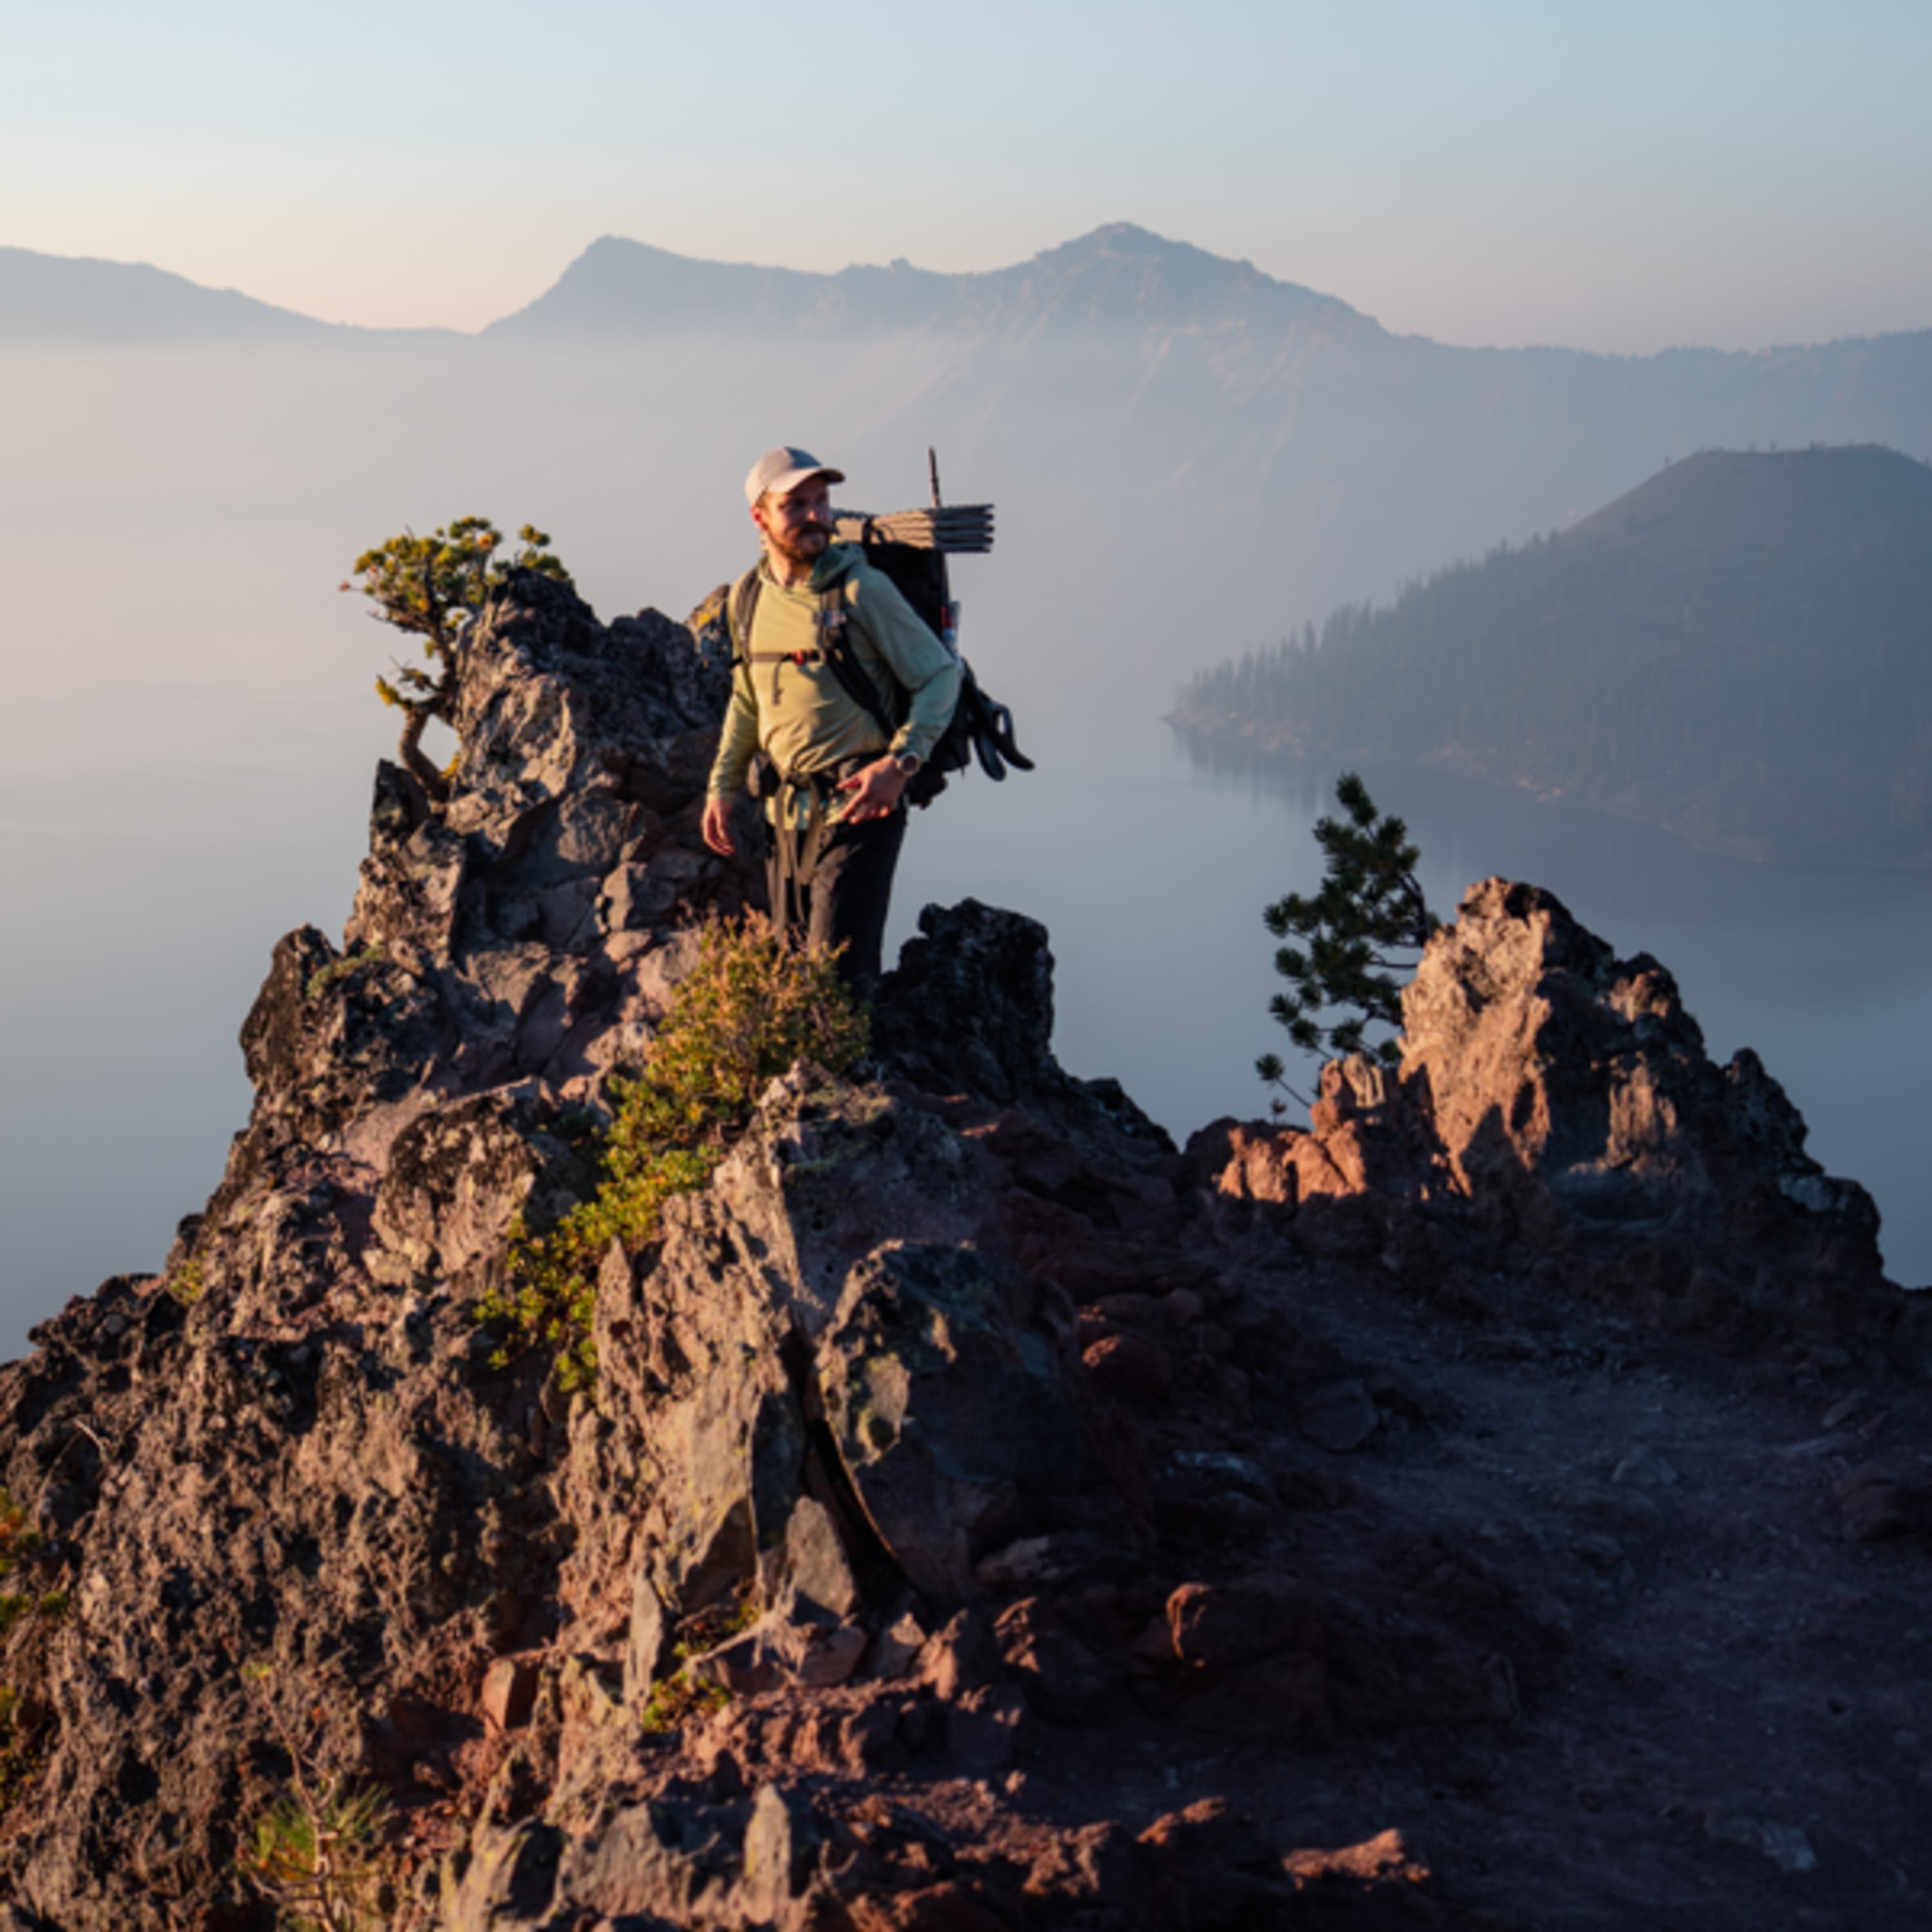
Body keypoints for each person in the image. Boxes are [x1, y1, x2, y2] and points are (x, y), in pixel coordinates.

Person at [702, 446, 961, 992]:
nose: (815, 515)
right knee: (792, 976)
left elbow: (940, 675)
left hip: (861, 807)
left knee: (837, 981)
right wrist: (723, 786)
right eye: (795, 505)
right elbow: (747, 700)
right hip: (783, 815)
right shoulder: (747, 598)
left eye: (821, 501)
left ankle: (857, 1047)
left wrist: (901, 763)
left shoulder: (861, 590)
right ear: (760, 517)